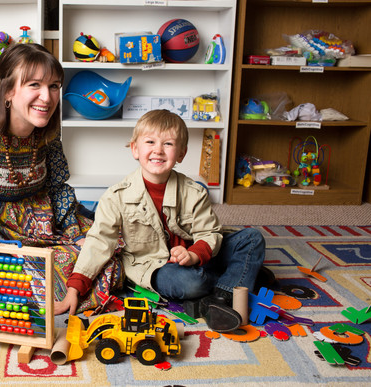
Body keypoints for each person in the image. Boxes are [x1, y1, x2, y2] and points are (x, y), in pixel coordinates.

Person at [0, 43, 122, 327]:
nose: (47, 97)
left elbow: (59, 187)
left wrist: (75, 234)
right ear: (9, 90)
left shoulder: (47, 128)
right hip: (0, 232)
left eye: (53, 86)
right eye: (34, 84)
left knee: (111, 245)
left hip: (47, 219)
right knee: (23, 286)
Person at [54, 109, 266, 332]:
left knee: (252, 239)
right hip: (156, 266)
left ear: (181, 154)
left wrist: (193, 254)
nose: (158, 150)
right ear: (135, 149)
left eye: (168, 144)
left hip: (199, 255)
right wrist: (74, 289)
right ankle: (240, 276)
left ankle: (222, 299)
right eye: (150, 142)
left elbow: (209, 233)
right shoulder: (116, 196)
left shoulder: (194, 192)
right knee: (190, 283)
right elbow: (98, 243)